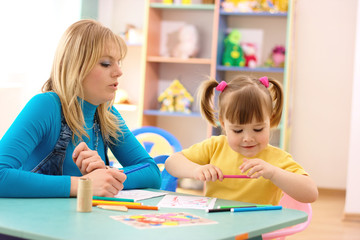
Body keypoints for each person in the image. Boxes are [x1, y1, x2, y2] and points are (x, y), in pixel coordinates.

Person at [0, 19, 161, 198]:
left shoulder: (107, 115)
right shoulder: (46, 106)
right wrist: (83, 185)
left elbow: (151, 171)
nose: (118, 72)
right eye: (106, 64)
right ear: (76, 67)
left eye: (118, 62)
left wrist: (106, 176)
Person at [165, 75, 318, 205]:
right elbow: (171, 163)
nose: (248, 138)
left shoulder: (277, 158)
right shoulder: (215, 146)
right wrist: (196, 170)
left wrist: (274, 173)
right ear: (224, 124)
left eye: (258, 129)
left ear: (270, 121)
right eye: (238, 130)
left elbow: (311, 193)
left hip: (257, 229)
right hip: (217, 224)